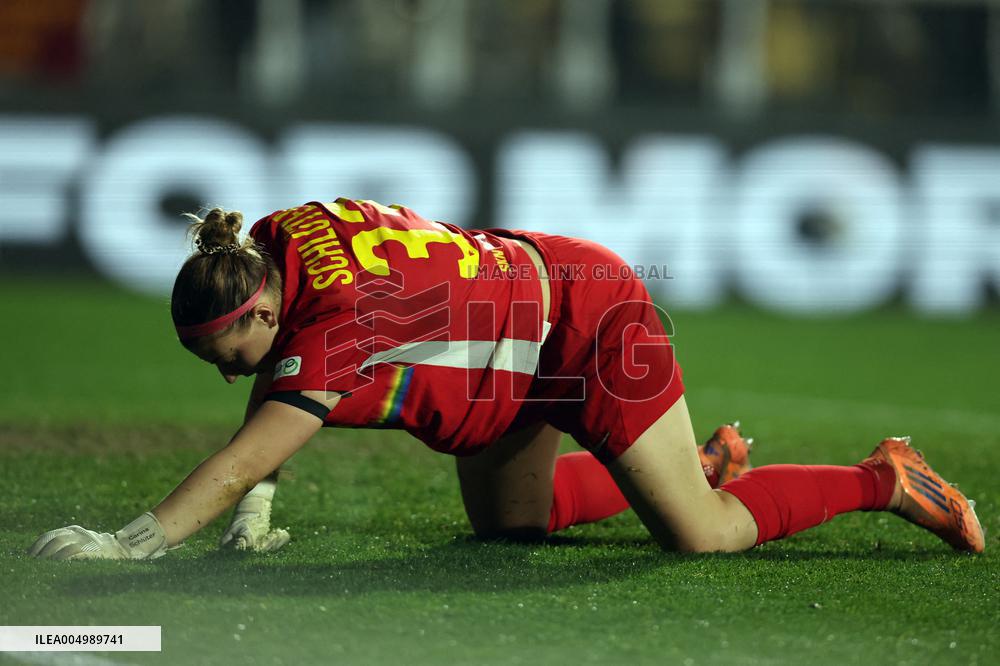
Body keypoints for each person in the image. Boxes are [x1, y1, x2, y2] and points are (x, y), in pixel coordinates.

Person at [28, 199, 984, 560]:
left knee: (703, 535)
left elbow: (246, 449)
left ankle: (884, 479)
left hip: (587, 323)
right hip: (511, 341)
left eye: (228, 356)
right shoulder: (277, 240)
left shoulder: (338, 323)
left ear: (261, 313)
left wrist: (129, 545)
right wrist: (257, 506)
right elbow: (274, 383)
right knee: (510, 529)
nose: (226, 375)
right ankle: (691, 462)